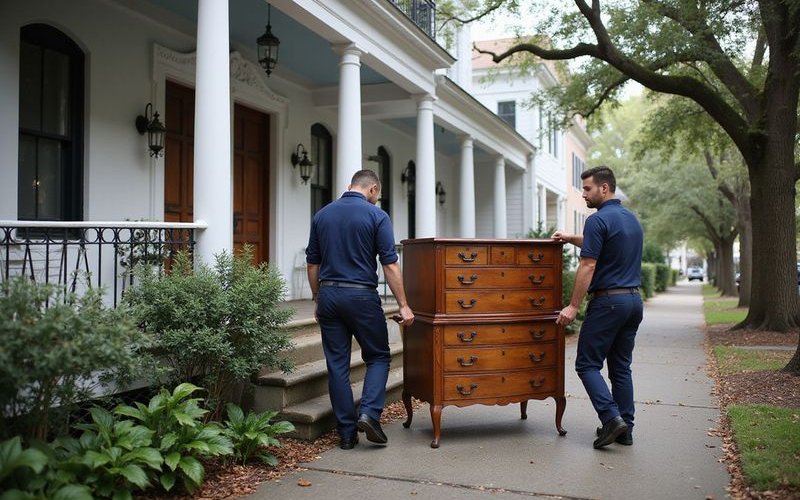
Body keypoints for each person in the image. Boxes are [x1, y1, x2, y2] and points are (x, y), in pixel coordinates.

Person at [306, 169, 414, 450]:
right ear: (373, 189)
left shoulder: (322, 215)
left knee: (337, 365)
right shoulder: (377, 216)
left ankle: (346, 434)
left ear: (349, 186)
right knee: (378, 356)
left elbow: (312, 264)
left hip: (329, 294)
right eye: (377, 195)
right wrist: (403, 305)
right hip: (362, 297)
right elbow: (389, 264)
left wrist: (317, 297)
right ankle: (369, 414)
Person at [553, 166, 643, 449]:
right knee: (620, 367)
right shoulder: (631, 220)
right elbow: (600, 245)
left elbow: (589, 264)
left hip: (608, 303)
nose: (583, 195)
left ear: (604, 188)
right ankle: (625, 429)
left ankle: (611, 418)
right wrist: (570, 237)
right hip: (633, 301)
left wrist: (572, 305)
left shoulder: (597, 220)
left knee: (587, 364)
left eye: (588, 189)